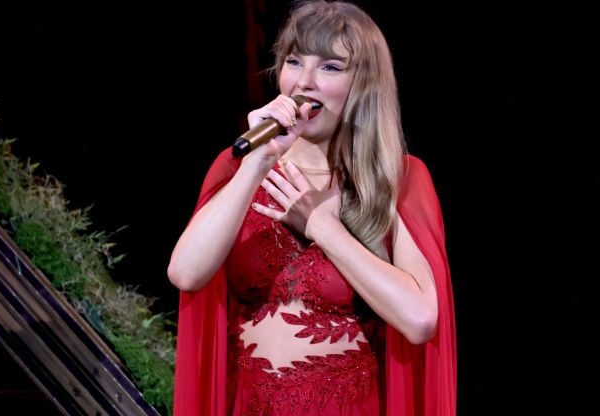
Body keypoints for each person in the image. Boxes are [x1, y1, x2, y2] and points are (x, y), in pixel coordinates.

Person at [168, 1, 456, 414]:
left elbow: (420, 318)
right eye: (294, 61)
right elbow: (185, 273)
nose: (304, 82)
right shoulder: (240, 165)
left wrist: (323, 226)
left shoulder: (397, 179)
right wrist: (258, 162)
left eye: (330, 67)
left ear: (364, 84)